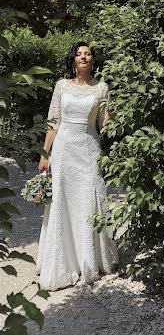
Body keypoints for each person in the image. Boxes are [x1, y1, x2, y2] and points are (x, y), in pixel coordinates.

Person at [36, 41, 118, 290]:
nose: (83, 57)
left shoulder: (102, 88)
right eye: (79, 54)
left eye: (88, 54)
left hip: (89, 149)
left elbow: (105, 124)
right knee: (62, 200)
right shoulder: (61, 86)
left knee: (89, 198)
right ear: (73, 60)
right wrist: (44, 155)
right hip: (63, 149)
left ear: (93, 60)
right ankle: (63, 261)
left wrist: (117, 113)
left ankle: (91, 260)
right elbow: (53, 121)